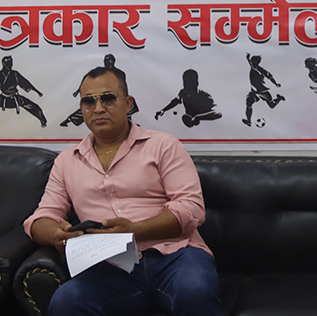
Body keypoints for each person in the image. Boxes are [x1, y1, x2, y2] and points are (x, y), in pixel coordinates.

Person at [23, 66, 220, 316]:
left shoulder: (163, 145)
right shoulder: (66, 161)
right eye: (88, 101)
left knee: (195, 290)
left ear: (128, 103)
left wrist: (135, 230)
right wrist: (55, 235)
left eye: (108, 98)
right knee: (66, 301)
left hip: (177, 256)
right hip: (110, 268)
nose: (98, 108)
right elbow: (42, 217)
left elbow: (191, 208)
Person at [0, 55, 46, 127]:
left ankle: (43, 121)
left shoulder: (15, 74)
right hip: (3, 98)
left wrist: (37, 91)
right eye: (9, 63)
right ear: (4, 64)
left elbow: (25, 83)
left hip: (15, 98)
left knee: (35, 107)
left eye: (11, 63)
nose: (11, 65)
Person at [155, 69, 222, 128]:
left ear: (197, 83)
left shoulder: (205, 96)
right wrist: (163, 110)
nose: (186, 87)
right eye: (185, 84)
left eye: (189, 84)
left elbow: (218, 113)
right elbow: (175, 101)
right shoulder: (183, 92)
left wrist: (198, 117)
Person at [242, 53, 285, 127]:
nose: (251, 64)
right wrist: (247, 58)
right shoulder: (252, 67)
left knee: (271, 105)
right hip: (254, 91)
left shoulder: (262, 71)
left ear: (257, 63)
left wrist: (276, 84)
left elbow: (270, 77)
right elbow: (249, 62)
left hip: (262, 91)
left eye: (253, 62)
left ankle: (279, 98)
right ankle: (248, 121)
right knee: (249, 102)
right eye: (251, 62)